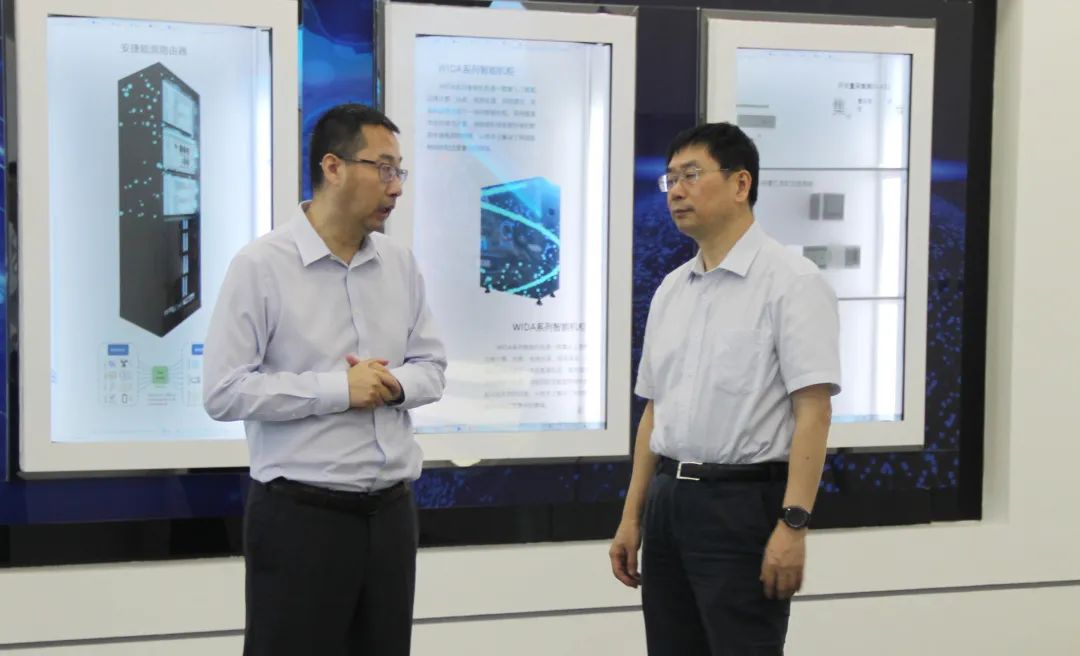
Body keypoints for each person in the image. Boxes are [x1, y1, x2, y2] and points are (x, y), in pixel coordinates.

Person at [203, 103, 446, 656]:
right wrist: (339, 390)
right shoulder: (261, 266)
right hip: (301, 519)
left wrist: (393, 386)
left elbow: (432, 368)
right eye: (382, 169)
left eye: (400, 171)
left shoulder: (400, 264)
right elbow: (223, 391)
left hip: (391, 515)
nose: (395, 187)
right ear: (332, 167)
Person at [608, 122, 841, 655]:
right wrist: (631, 516)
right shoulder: (672, 289)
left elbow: (814, 412)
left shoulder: (792, 283)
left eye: (691, 175)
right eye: (670, 179)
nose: (677, 191)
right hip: (668, 501)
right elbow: (654, 412)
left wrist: (793, 526)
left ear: (741, 184)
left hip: (741, 505)